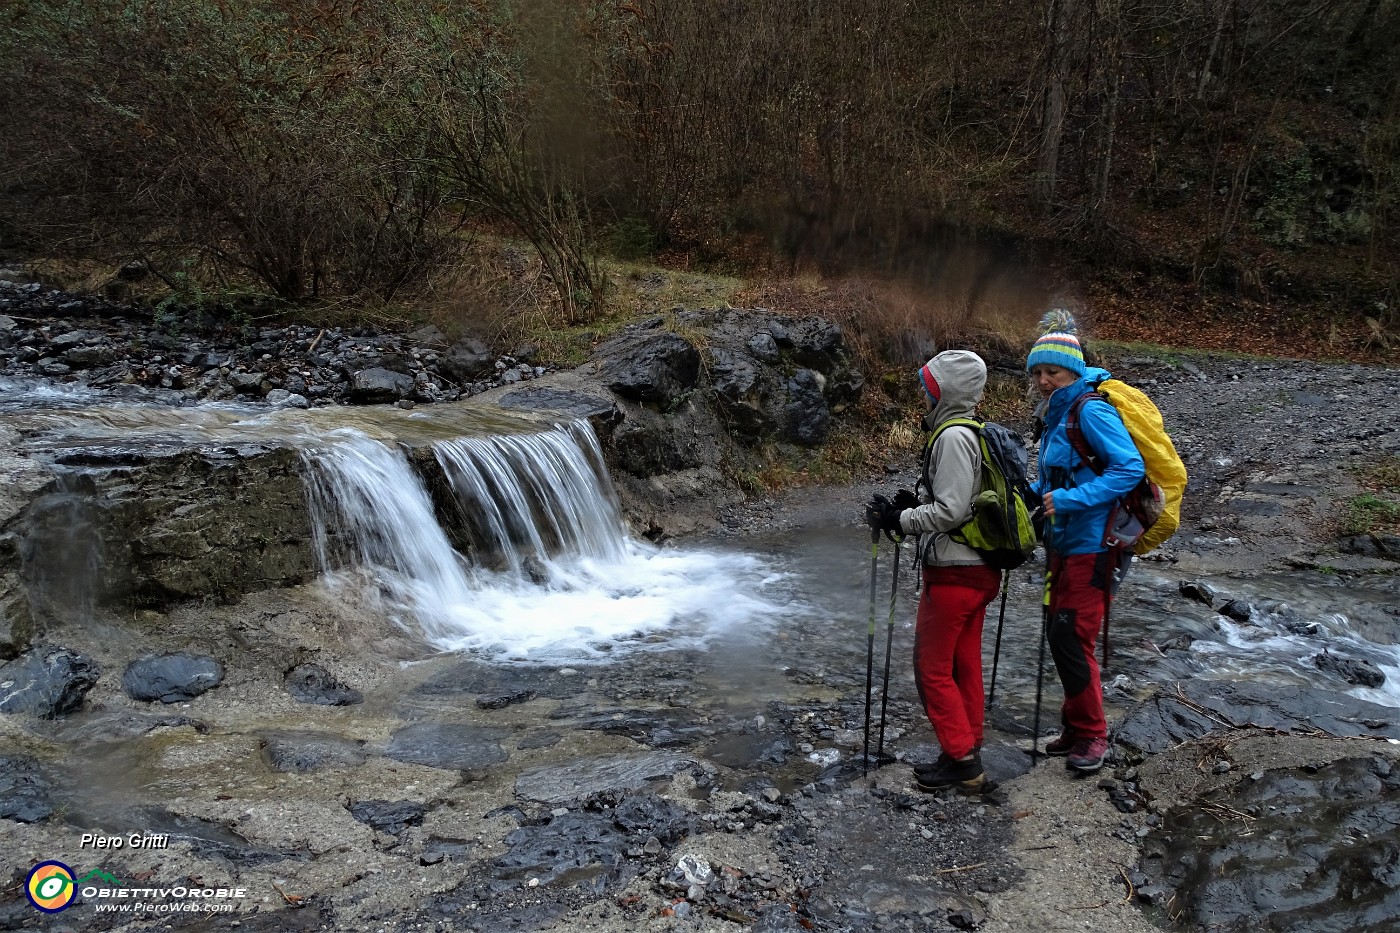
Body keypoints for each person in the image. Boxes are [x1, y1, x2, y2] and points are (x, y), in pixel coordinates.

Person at [867, 349, 1001, 793]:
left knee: (931, 668)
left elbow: (950, 511)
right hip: (979, 571)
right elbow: (959, 504)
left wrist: (899, 520)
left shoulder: (952, 437)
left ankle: (961, 761)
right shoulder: (973, 433)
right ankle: (967, 749)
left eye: (929, 387)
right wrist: (912, 508)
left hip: (956, 574)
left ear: (945, 391)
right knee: (964, 665)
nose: (924, 394)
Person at [1026, 311, 1144, 774]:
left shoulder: (1090, 409)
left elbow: (1129, 468)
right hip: (1063, 543)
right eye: (1037, 372)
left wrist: (1073, 500)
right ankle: (1076, 728)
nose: (1043, 380)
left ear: (1073, 370)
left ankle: (1094, 735)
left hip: (1095, 544)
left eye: (1052, 371)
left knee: (1073, 638)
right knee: (1060, 634)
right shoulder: (1057, 415)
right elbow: (1051, 479)